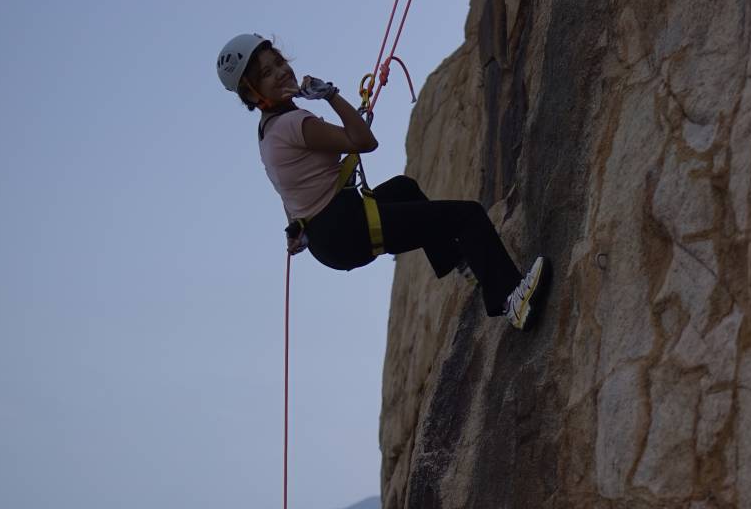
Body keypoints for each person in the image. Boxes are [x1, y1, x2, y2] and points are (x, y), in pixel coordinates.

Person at [216, 33, 549, 330]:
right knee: (469, 216)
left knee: (404, 188)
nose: (280, 72)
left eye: (277, 63)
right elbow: (364, 142)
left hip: (329, 236)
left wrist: (296, 226)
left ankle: (463, 263)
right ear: (252, 93)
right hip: (348, 227)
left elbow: (286, 186)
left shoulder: (267, 133)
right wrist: (331, 95)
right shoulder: (293, 124)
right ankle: (511, 300)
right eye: (266, 73)